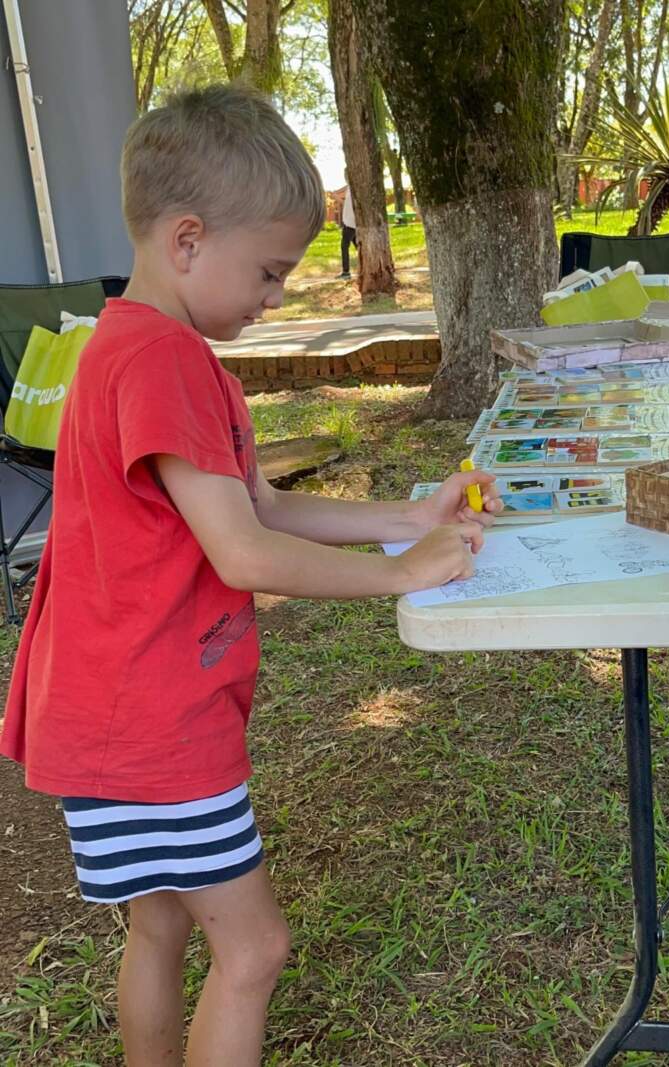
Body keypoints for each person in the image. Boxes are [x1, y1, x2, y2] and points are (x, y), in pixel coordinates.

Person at [0, 84, 501, 1067]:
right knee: (254, 948)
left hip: (101, 715)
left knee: (159, 926)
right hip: (152, 725)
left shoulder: (132, 343)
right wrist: (403, 573)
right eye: (269, 273)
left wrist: (408, 517)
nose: (275, 297)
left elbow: (258, 505)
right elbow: (245, 552)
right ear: (187, 240)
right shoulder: (167, 362)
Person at [338, 178, 357, 280]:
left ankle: (346, 272)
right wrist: (335, 192)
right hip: (352, 224)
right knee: (359, 247)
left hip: (350, 223)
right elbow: (346, 187)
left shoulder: (352, 191)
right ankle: (368, 267)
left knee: (344, 246)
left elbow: (345, 204)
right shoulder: (351, 187)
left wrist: (335, 196)